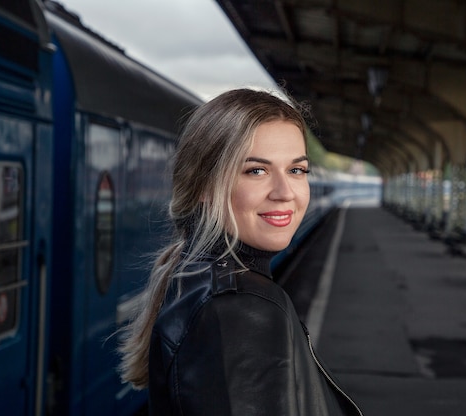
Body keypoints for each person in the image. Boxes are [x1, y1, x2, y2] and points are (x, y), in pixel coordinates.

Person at [118, 88, 362, 415]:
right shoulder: (241, 313)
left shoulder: (201, 282)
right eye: (256, 171)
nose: (284, 192)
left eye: (297, 170)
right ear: (204, 185)